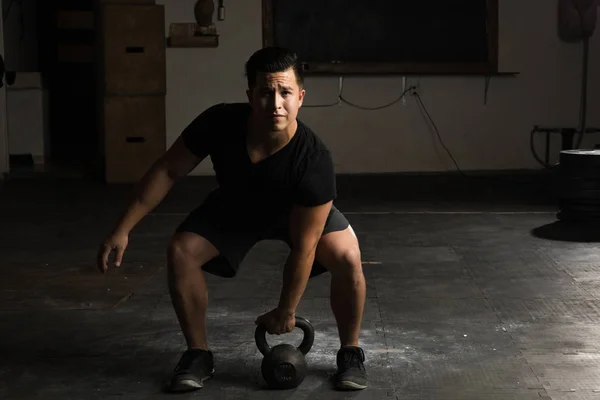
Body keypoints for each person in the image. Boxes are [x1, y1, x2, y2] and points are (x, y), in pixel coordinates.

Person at [97, 46, 368, 392]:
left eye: (285, 92)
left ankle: (350, 353)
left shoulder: (314, 161)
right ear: (250, 96)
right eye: (266, 92)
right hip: (236, 205)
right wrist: (123, 228)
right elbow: (168, 169)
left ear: (300, 97)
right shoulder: (219, 122)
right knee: (182, 251)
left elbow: (305, 247)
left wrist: (287, 310)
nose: (276, 104)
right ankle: (198, 353)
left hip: (297, 214)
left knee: (347, 255)